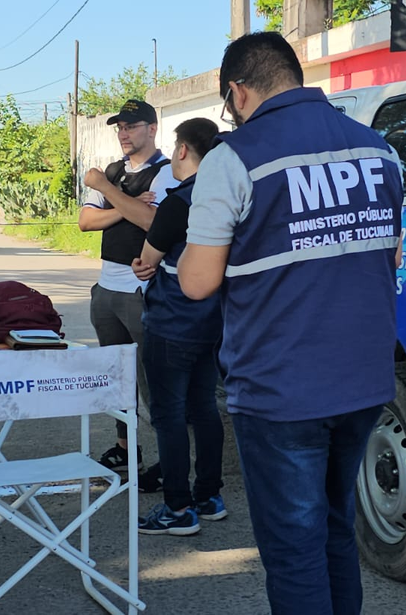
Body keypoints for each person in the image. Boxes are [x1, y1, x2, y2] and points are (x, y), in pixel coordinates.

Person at [178, 32, 405, 614]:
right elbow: (391, 255)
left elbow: (197, 282)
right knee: (335, 528)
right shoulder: (378, 149)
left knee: (293, 550)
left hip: (281, 389)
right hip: (363, 381)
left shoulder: (234, 158)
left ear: (237, 92)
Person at [130, 117, 226, 536]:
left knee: (168, 414)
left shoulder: (180, 202)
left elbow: (146, 260)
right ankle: (209, 496)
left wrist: (144, 265)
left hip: (172, 322)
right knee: (204, 407)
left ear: (183, 150)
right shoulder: (226, 197)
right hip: (213, 322)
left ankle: (177, 508)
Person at [78, 98, 178, 474]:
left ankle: (170, 460)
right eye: (120, 127)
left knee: (153, 380)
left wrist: (108, 192)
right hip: (107, 287)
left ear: (152, 129)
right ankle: (126, 447)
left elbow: (153, 222)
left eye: (131, 126)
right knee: (116, 378)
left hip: (142, 290)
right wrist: (128, 205)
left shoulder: (166, 172)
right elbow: (86, 222)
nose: (123, 133)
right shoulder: (114, 171)